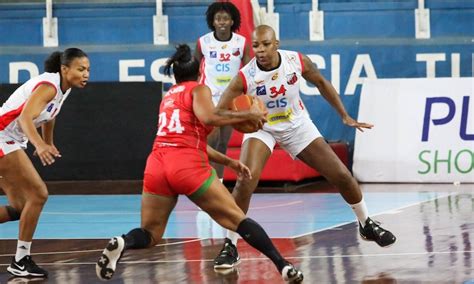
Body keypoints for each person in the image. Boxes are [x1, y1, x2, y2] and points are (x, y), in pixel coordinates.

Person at [95, 44, 304, 283]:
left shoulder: (168, 97)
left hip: (157, 164)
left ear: (175, 74)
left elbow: (188, 139)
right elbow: (209, 117)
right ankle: (283, 266)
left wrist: (229, 162)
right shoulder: (199, 89)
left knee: (150, 234)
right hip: (186, 165)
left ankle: (124, 242)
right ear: (200, 70)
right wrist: (249, 114)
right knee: (238, 219)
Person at [212, 25, 397, 268]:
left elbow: (321, 82)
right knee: (245, 181)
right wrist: (247, 114)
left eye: (265, 44)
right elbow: (220, 111)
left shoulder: (296, 61)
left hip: (296, 125)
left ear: (276, 44)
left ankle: (366, 224)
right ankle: (230, 245)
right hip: (262, 127)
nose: (260, 50)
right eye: (256, 46)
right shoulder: (245, 76)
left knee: (342, 175)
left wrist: (344, 115)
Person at [0, 48, 90, 277]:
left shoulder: (62, 88)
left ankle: (20, 259)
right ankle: (20, 260)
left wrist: (49, 141)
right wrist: (39, 145)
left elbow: (51, 114)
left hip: (10, 139)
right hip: (3, 136)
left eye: (88, 69)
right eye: (81, 69)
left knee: (22, 207)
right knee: (38, 195)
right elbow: (24, 117)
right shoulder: (49, 86)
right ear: (64, 69)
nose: (86, 74)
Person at [194, 1, 251, 181]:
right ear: (213, 21)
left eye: (226, 18)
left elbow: (249, 72)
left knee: (223, 142)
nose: (222, 22)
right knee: (210, 141)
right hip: (209, 97)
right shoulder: (203, 42)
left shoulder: (241, 43)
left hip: (231, 99)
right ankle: (204, 178)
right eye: (218, 19)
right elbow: (193, 69)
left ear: (232, 21)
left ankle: (218, 182)